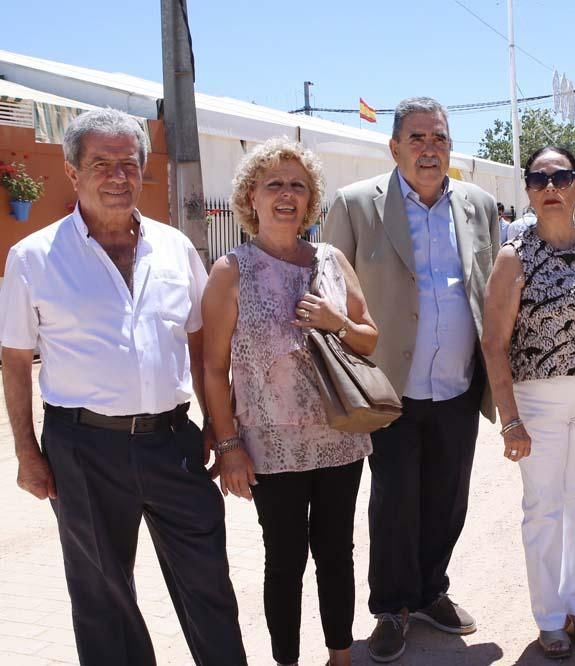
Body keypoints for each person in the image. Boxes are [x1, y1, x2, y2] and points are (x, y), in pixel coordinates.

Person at [0, 108, 247, 665]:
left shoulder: (175, 248)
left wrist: (217, 423)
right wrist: (26, 452)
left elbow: (202, 344)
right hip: (83, 450)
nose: (117, 176)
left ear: (142, 172)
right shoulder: (33, 257)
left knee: (207, 581)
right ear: (72, 171)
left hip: (173, 443)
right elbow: (15, 360)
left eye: (129, 165)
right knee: (104, 597)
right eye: (101, 164)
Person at [323, 96, 499, 663]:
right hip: (386, 385)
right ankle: (392, 608)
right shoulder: (354, 205)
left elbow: (490, 293)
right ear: (394, 145)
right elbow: (329, 294)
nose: (430, 149)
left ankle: (430, 591)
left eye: (440, 138)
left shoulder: (479, 205)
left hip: (458, 382)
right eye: (418, 139)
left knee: (449, 499)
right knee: (395, 501)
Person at [201, 138, 377, 666]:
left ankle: (341, 656)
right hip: (269, 445)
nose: (286, 195)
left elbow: (369, 338)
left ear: (311, 199)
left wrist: (337, 321)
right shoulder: (231, 270)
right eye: (273, 184)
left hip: (340, 437)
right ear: (250, 197)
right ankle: (286, 660)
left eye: (297, 186)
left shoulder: (331, 260)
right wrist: (228, 444)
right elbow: (213, 368)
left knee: (336, 555)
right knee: (283, 561)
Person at [482, 146, 575, 659]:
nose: (551, 188)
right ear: (528, 191)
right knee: (543, 507)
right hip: (537, 399)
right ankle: (548, 616)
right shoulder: (514, 255)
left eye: (561, 177)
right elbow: (493, 342)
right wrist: (509, 420)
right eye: (539, 179)